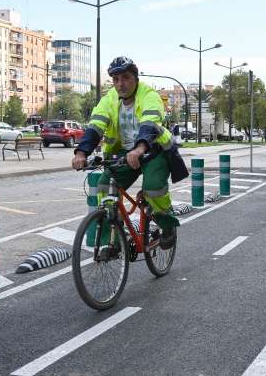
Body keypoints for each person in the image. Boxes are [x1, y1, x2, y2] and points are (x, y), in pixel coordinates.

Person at [71, 56, 187, 249]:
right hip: (126, 153)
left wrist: (140, 148)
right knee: (103, 187)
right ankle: (114, 242)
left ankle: (167, 226)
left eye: (125, 78)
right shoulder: (109, 99)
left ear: (135, 78)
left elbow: (149, 124)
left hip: (153, 150)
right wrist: (81, 153)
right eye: (116, 79)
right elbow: (96, 126)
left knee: (153, 188)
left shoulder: (149, 95)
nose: (120, 84)